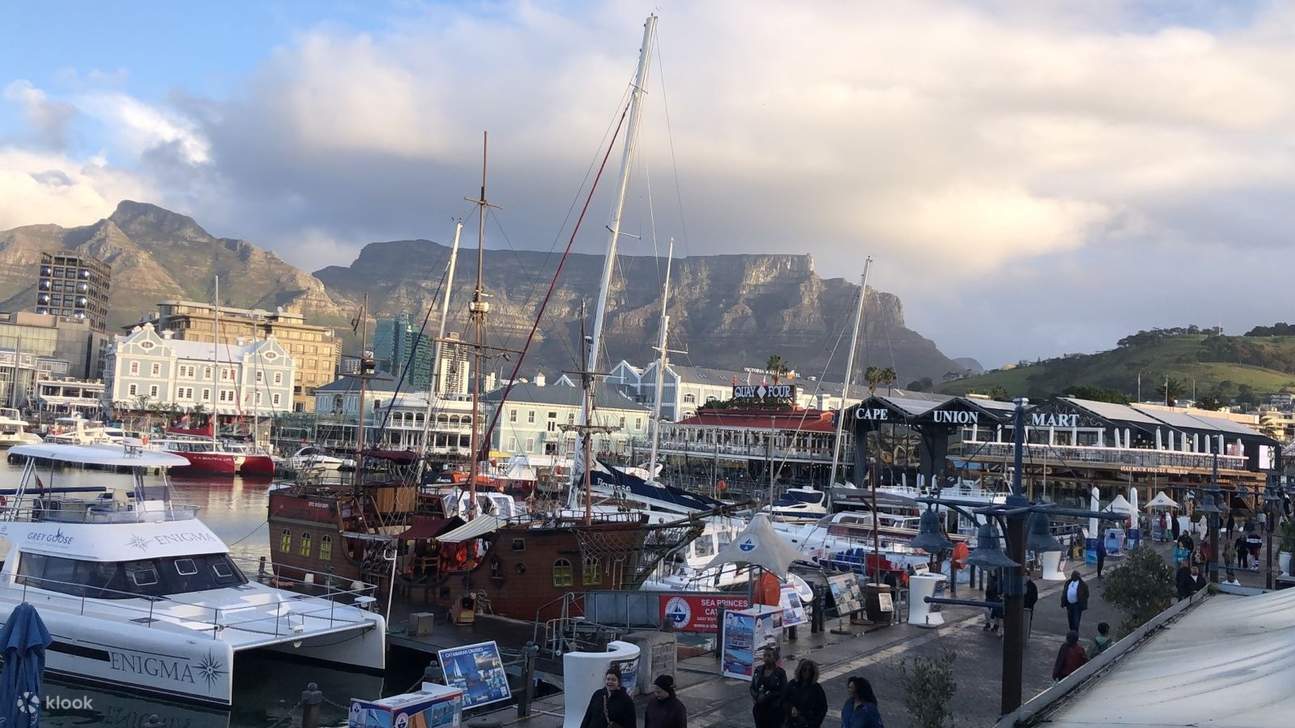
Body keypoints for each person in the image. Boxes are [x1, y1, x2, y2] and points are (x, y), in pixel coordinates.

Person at [750, 647, 787, 728]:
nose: (766, 658)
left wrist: (768, 696)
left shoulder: (780, 673)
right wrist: (756, 696)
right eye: (765, 655)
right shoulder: (758, 670)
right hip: (759, 709)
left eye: (769, 656)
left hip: (774, 710)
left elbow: (783, 691)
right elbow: (752, 687)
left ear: (774, 658)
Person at [784, 660, 827, 728]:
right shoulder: (792, 684)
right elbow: (784, 700)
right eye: (804, 669)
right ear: (800, 670)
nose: (807, 672)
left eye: (810, 670)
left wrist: (814, 723)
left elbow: (823, 708)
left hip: (809, 723)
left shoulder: (816, 688)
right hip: (792, 723)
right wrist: (791, 708)